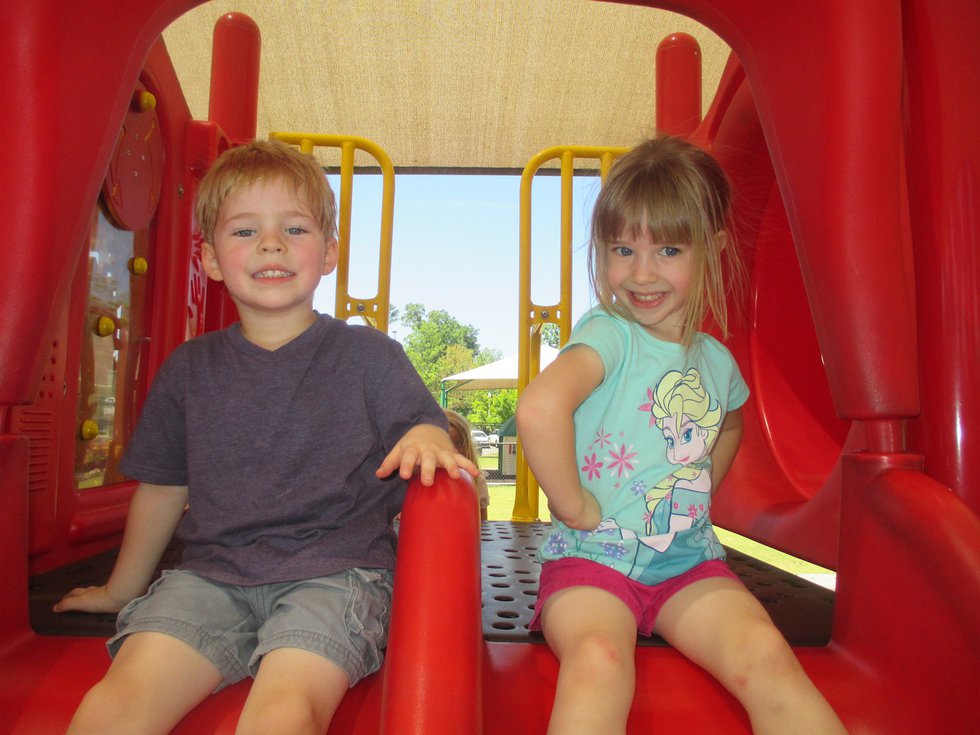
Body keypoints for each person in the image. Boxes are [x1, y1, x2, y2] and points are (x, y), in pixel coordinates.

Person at [54, 139, 478, 735]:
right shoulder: (188, 370)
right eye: (245, 230)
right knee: (119, 699)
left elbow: (421, 425)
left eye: (295, 228)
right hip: (210, 577)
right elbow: (163, 489)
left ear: (328, 253)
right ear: (208, 258)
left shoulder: (368, 356)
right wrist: (122, 589)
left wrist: (430, 436)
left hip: (335, 575)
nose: (272, 244)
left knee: (283, 711)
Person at [516, 136, 847, 735]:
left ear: (712, 250)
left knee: (767, 657)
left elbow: (732, 420)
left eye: (668, 249)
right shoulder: (611, 334)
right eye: (622, 249)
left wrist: (702, 487)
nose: (642, 273)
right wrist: (574, 507)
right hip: (595, 561)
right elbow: (540, 410)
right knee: (599, 658)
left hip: (688, 566)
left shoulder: (716, 362)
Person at [444, 408, 491, 520]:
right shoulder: (415, 479)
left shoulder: (476, 481)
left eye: (459, 444)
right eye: (445, 444)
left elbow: (482, 523)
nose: (453, 451)